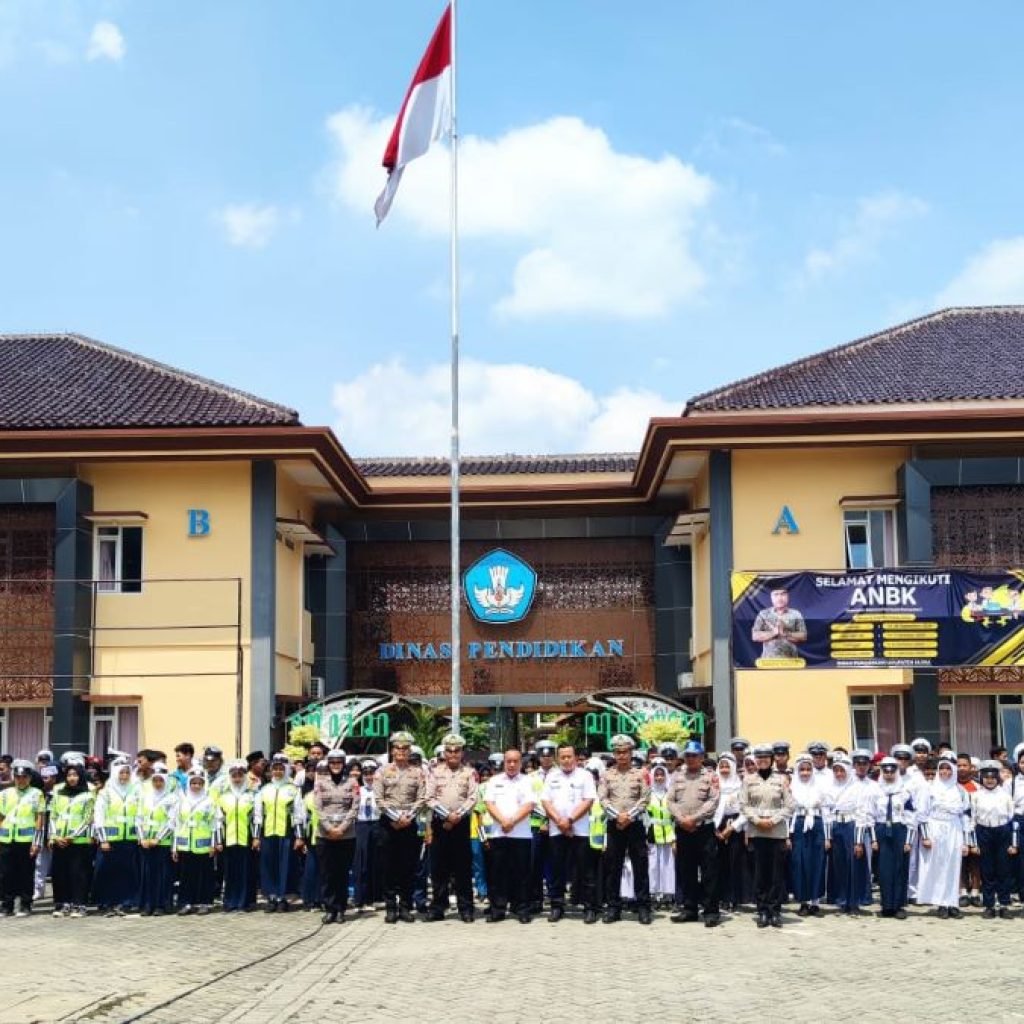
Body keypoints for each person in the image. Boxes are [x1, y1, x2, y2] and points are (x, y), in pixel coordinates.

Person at [597, 734, 651, 925]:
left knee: (640, 866)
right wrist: (617, 816)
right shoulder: (606, 775)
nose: (622, 756)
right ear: (614, 754)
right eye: (618, 752)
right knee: (613, 867)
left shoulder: (641, 773)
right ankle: (613, 907)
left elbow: (645, 798)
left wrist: (629, 816)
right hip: (614, 824)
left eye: (625, 752)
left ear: (631, 753)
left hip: (635, 824)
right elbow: (603, 799)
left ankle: (643, 906)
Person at [740, 743, 795, 928]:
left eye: (766, 757)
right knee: (760, 874)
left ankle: (775, 911)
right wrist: (757, 820)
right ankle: (762, 910)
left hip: (776, 832)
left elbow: (790, 806)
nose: (762, 761)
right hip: (757, 832)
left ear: (771, 760)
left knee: (776, 874)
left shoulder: (781, 779)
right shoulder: (748, 780)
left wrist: (773, 820)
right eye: (759, 758)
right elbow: (743, 805)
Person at [540, 742, 597, 923]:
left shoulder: (585, 775)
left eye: (569, 756)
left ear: (575, 757)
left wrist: (570, 820)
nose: (566, 760)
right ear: (558, 758)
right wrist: (560, 822)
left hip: (580, 830)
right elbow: (546, 801)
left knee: (585, 871)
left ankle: (590, 908)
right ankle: (557, 906)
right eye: (562, 757)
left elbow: (588, 800)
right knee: (557, 870)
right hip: (557, 830)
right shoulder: (551, 776)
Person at [374, 731, 426, 924]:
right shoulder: (382, 771)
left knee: (408, 867)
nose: (401, 751)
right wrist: (396, 818)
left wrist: (408, 817)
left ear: (409, 750)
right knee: (388, 868)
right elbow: (379, 799)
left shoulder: (418, 772)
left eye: (405, 748)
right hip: (388, 824)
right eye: (397, 748)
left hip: (409, 823)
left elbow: (422, 798)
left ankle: (405, 907)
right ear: (392, 750)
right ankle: (390, 908)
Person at [666, 739, 720, 927]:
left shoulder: (710, 776)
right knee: (686, 871)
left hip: (703, 829)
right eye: (687, 755)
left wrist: (694, 819)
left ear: (702, 757)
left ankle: (711, 911)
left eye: (694, 755)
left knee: (708, 872)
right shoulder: (677, 776)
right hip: (683, 829)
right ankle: (689, 909)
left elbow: (713, 801)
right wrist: (682, 819)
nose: (690, 759)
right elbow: (670, 801)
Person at [426, 733, 478, 923]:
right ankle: (438, 907)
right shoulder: (434, 772)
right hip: (440, 823)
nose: (453, 754)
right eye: (450, 750)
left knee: (462, 868)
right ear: (444, 752)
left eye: (457, 750)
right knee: (439, 868)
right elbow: (429, 797)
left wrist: (458, 815)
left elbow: (473, 797)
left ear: (462, 752)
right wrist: (447, 815)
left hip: (461, 823)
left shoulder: (469, 772)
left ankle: (466, 908)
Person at [482, 748, 536, 924]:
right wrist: (503, 821)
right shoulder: (494, 781)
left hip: (521, 835)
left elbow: (529, 805)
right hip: (498, 834)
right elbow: (489, 804)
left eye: (515, 761)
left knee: (522, 874)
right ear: (504, 762)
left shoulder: (527, 781)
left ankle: (522, 909)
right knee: (498, 873)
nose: (512, 764)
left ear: (521, 763)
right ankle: (498, 909)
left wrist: (511, 821)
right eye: (508, 761)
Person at [860, 755, 915, 919]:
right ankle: (887, 905)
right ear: (881, 771)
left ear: (897, 772)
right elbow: (869, 815)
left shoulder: (904, 792)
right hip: (882, 829)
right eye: (885, 771)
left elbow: (911, 817)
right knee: (883, 870)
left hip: (899, 829)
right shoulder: (875, 790)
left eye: (892, 770)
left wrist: (908, 841)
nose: (889, 774)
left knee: (899, 868)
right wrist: (874, 839)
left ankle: (898, 905)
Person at [916, 754, 969, 918]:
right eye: (942, 768)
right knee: (938, 866)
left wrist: (967, 841)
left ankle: (952, 902)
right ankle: (941, 903)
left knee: (953, 866)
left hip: (954, 829)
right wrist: (925, 836)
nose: (945, 772)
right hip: (935, 828)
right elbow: (921, 814)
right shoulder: (929, 788)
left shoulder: (960, 790)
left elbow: (965, 816)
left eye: (948, 768)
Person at [254, 752, 305, 913]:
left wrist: (299, 836)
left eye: (280, 768)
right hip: (268, 833)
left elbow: (298, 814)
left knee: (285, 866)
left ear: (286, 770)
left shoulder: (293, 790)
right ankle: (271, 897)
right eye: (274, 768)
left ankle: (283, 898)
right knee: (268, 866)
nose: (277, 772)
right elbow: (258, 814)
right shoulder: (264, 789)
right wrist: (256, 836)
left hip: (286, 833)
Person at [315, 749, 359, 924]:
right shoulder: (321, 783)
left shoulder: (352, 782)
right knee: (327, 874)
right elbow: (318, 807)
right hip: (324, 835)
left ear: (343, 764)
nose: (335, 766)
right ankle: (330, 909)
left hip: (346, 835)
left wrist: (341, 828)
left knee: (342, 873)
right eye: (332, 763)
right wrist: (329, 828)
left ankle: (340, 909)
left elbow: (354, 807)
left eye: (338, 762)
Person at [92, 759, 139, 916]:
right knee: (107, 872)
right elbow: (99, 816)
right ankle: (106, 903)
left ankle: (125, 903)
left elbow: (140, 814)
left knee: (127, 873)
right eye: (121, 772)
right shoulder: (106, 791)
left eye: (127, 772)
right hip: (110, 840)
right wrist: (103, 839)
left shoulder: (135, 790)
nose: (124, 776)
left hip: (129, 839)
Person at [971, 760, 1016, 919]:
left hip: (1002, 831)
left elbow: (1012, 820)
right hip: (984, 831)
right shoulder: (976, 795)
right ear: (981, 777)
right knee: (987, 870)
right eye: (986, 777)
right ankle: (989, 905)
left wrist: (1012, 843)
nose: (989, 780)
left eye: (992, 777)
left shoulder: (1005, 795)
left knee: (1004, 870)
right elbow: (973, 820)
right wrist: (974, 843)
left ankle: (1004, 904)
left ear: (997, 777)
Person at [49, 759, 95, 917]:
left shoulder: (88, 795)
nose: (72, 778)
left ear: (81, 776)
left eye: (75, 775)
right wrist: (55, 836)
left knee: (78, 873)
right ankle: (63, 904)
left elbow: (88, 819)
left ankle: (79, 904)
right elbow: (53, 816)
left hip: (78, 841)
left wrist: (72, 836)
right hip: (59, 840)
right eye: (69, 775)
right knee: (60, 873)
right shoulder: (59, 793)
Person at [0, 759, 45, 917]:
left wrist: (36, 843)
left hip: (26, 841)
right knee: (6, 874)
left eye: (24, 777)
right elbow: (1, 816)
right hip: (6, 840)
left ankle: (25, 905)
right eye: (18, 777)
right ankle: (7, 905)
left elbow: (39, 819)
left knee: (26, 873)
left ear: (30, 778)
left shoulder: (37, 794)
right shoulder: (5, 794)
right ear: (14, 777)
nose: (21, 780)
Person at [215, 759, 257, 912]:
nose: (237, 778)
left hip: (246, 839)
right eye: (234, 775)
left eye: (240, 775)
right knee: (230, 872)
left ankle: (244, 902)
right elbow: (218, 820)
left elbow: (256, 818)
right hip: (229, 839)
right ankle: (230, 901)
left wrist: (256, 837)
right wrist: (219, 840)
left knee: (245, 871)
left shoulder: (251, 795)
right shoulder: (224, 797)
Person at [174, 767, 217, 914]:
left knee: (204, 875)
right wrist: (175, 847)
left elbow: (214, 823)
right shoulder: (182, 802)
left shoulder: (209, 802)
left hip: (203, 844)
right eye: (193, 783)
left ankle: (204, 903)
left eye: (199, 783)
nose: (196, 786)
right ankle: (186, 903)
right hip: (185, 844)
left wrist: (213, 844)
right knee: (186, 875)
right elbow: (177, 824)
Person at [136, 762, 177, 916]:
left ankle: (161, 904)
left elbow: (172, 822)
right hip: (146, 843)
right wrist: (142, 838)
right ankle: (148, 904)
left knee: (163, 875)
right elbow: (139, 818)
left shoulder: (172, 798)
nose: (158, 783)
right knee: (147, 875)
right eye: (155, 780)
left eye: (161, 780)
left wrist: (158, 839)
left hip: (163, 843)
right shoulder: (146, 797)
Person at [788, 754, 827, 917]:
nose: (805, 773)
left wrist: (828, 836)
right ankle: (803, 901)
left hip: (817, 823)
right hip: (798, 824)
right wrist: (786, 835)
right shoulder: (792, 787)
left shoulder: (820, 786)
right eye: (802, 770)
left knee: (817, 862)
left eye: (808, 769)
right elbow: (787, 812)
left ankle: (815, 902)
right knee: (800, 862)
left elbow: (827, 812)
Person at [713, 753, 749, 910]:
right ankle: (720, 897)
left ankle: (734, 898)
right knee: (718, 863)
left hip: (735, 826)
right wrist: (714, 828)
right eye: (722, 766)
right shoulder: (713, 786)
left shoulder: (741, 787)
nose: (724, 769)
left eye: (727, 766)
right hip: (715, 826)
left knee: (735, 862)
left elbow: (746, 811)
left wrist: (732, 827)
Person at [529, 739, 556, 914]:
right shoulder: (530, 778)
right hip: (535, 826)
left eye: (549, 756)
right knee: (534, 865)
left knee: (555, 864)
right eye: (543, 756)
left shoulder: (560, 775)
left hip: (556, 825)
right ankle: (536, 900)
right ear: (538, 757)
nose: (546, 759)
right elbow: (528, 801)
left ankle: (555, 900)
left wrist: (549, 819)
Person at [353, 760, 383, 911]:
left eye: (372, 773)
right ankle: (360, 898)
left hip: (377, 824)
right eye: (366, 774)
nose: (369, 776)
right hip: (362, 825)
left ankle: (376, 897)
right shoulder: (358, 790)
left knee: (376, 862)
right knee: (361, 863)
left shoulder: (381, 789)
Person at [646, 761, 676, 909]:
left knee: (667, 864)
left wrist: (675, 837)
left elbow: (675, 816)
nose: (659, 778)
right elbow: (645, 816)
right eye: (656, 775)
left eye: (661, 775)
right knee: (653, 865)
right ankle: (653, 894)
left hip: (669, 833)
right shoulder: (648, 794)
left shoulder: (670, 793)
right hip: (652, 833)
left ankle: (668, 894)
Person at [751, 587, 807, 659]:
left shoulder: (796, 614)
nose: (780, 598)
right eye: (776, 594)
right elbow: (755, 636)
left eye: (783, 594)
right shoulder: (763, 614)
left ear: (788, 596)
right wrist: (774, 633)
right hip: (768, 660)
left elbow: (803, 636)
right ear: (771, 597)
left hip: (791, 660)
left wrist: (785, 634)